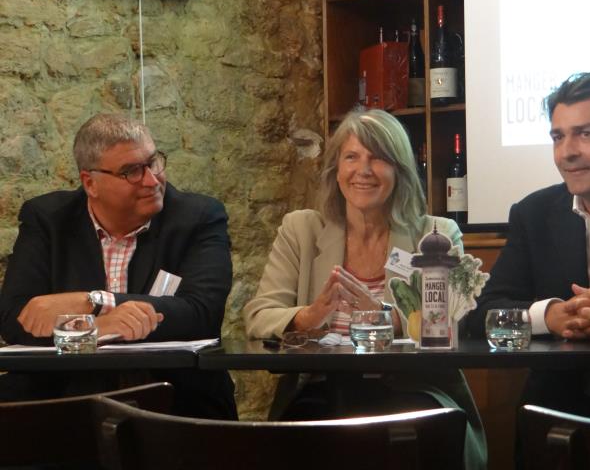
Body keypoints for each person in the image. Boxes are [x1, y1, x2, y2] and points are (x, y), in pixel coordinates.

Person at [244, 109, 487, 470]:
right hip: (321, 394)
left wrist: (388, 319)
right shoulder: (301, 230)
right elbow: (259, 316)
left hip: (415, 392)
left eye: (378, 158)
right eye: (352, 157)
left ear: (399, 170)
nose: (364, 170)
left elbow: (455, 320)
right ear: (336, 170)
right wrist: (309, 316)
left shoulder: (436, 234)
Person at [0, 113, 237, 419]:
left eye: (153, 163)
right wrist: (97, 327)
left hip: (176, 399)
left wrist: (94, 301)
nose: (152, 180)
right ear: (90, 183)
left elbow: (201, 313)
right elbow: (14, 318)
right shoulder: (48, 219)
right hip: (64, 397)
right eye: (131, 172)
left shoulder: (199, 217)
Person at [465, 72, 590, 417]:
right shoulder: (534, 214)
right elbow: (482, 312)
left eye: (585, 134)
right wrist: (551, 315)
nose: (567, 153)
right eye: (558, 137)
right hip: (561, 408)